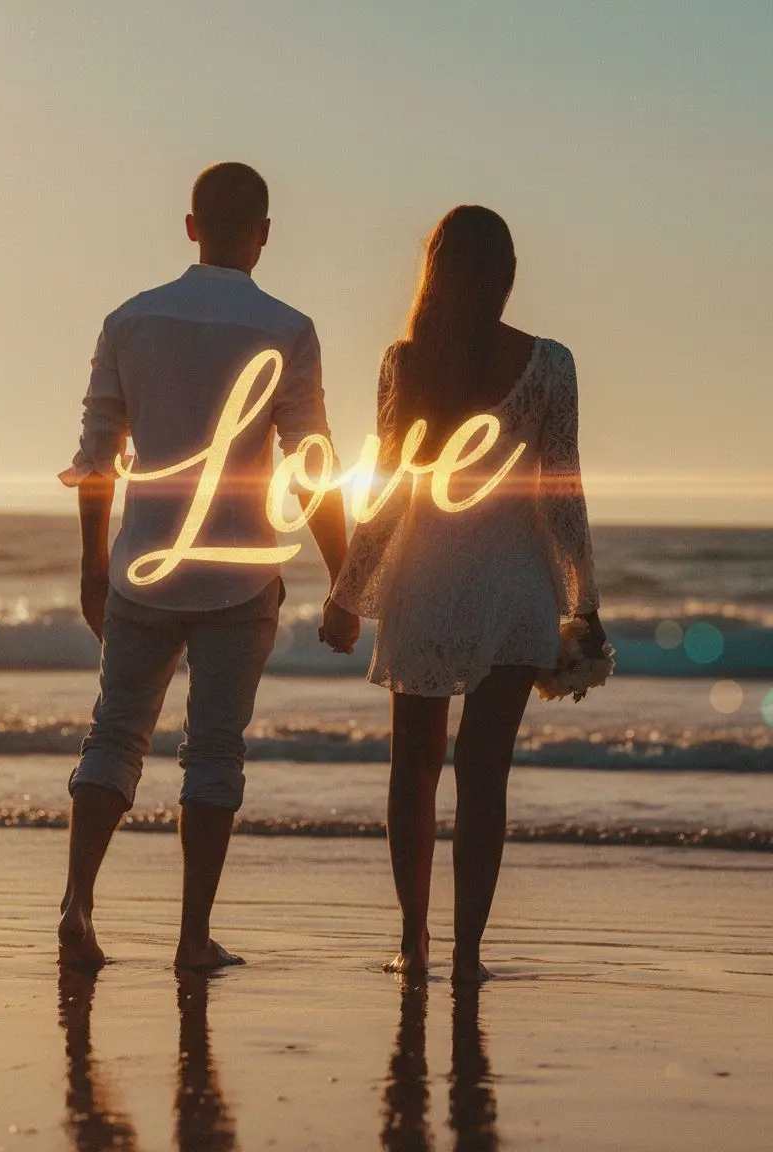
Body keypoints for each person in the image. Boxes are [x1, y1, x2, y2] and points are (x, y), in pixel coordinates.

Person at [58, 162, 348, 971]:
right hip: (239, 576)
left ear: (190, 227)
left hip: (143, 566)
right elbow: (311, 469)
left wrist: (92, 569)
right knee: (214, 752)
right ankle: (191, 939)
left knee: (115, 734)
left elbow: (97, 459)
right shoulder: (288, 329)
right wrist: (345, 578)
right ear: (263, 233)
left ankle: (78, 904)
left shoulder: (129, 321)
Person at [322, 205, 605, 985]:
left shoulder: (407, 362)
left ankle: (413, 945)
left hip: (428, 581)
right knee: (485, 775)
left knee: (413, 769)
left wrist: (347, 594)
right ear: (507, 275)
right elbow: (563, 493)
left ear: (434, 275)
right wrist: (583, 597)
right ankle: (469, 955)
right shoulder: (550, 364)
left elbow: (385, 492)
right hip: (514, 585)